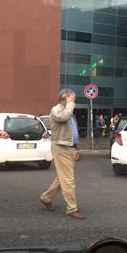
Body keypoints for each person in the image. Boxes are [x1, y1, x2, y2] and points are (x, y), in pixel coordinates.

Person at [39, 89, 85, 220]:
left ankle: (46, 198)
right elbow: (62, 117)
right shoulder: (56, 110)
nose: (73, 102)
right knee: (68, 180)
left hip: (70, 148)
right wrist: (70, 103)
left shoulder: (69, 113)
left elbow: (74, 133)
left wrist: (76, 149)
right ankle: (72, 209)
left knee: (62, 178)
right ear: (65, 98)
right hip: (61, 147)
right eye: (72, 99)